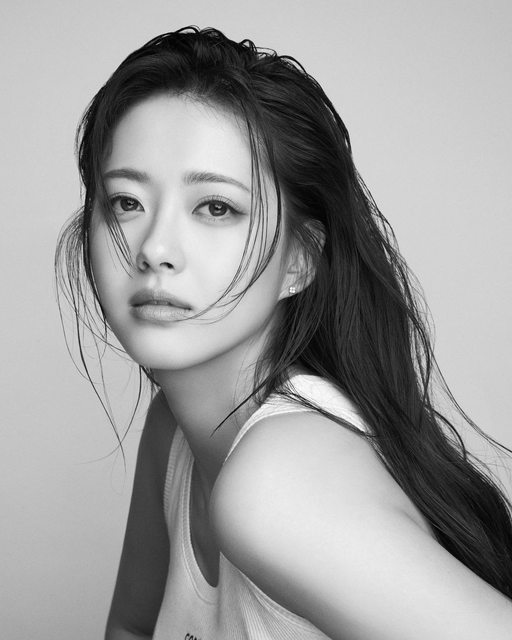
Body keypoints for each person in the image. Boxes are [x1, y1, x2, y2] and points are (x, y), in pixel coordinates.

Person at [56, 26, 512, 640]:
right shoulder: (175, 431)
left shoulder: (280, 476)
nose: (155, 248)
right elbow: (131, 629)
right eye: (126, 202)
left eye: (216, 207)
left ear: (298, 260)